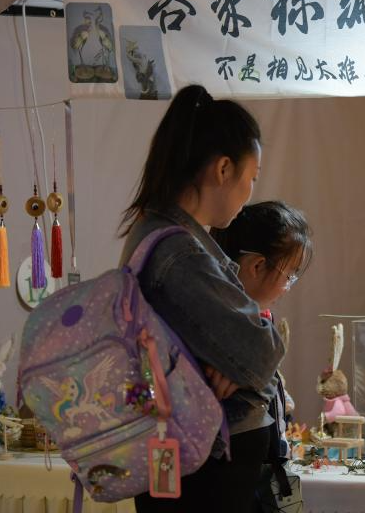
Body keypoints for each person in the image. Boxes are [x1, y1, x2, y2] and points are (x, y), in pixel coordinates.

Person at [119, 84, 285, 512]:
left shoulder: (160, 233)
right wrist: (245, 363)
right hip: (204, 471)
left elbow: (251, 359)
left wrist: (240, 364)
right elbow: (262, 353)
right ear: (224, 169)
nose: (250, 192)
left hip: (192, 458)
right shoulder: (179, 252)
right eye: (252, 177)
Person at [210, 201, 312, 459]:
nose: (288, 287)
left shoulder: (258, 321)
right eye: (289, 275)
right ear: (256, 266)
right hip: (228, 465)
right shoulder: (218, 328)